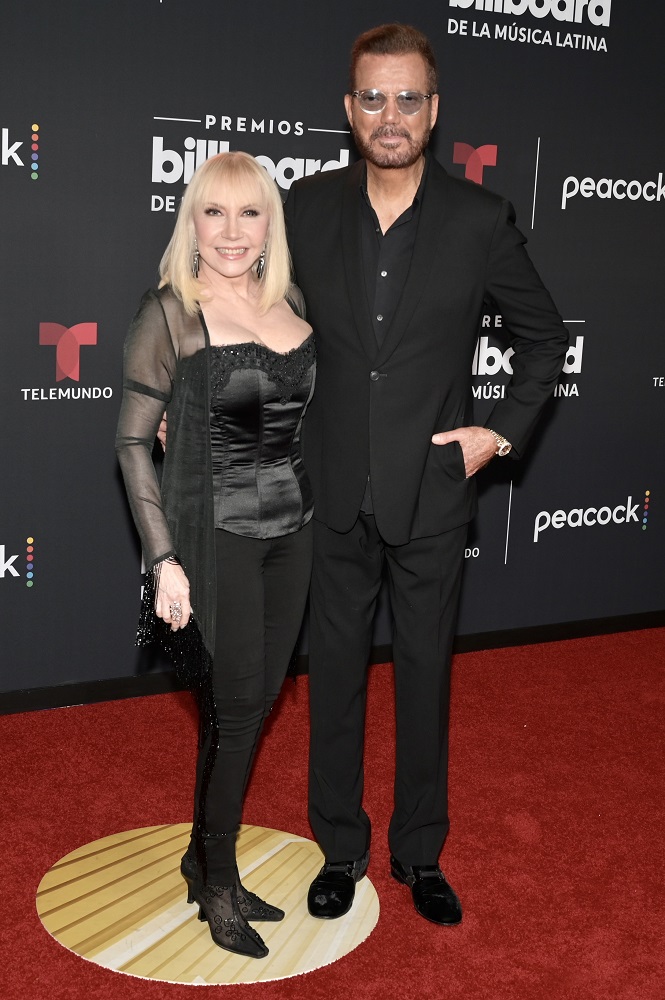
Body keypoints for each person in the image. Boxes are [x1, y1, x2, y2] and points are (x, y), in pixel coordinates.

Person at [284, 23, 569, 926]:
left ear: (434, 110)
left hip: (434, 495)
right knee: (332, 679)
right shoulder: (304, 209)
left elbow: (544, 340)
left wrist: (497, 436)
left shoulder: (478, 219)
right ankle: (338, 848)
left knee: (423, 679)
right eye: (374, 97)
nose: (391, 115)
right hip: (329, 489)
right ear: (348, 109)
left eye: (409, 98)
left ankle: (418, 853)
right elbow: (243, 313)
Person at [116, 151, 315, 959]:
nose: (232, 232)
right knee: (234, 714)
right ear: (190, 222)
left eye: (250, 213)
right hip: (214, 537)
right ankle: (219, 882)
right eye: (214, 212)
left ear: (270, 224)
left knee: (255, 704)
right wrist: (163, 560)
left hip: (293, 535)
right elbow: (133, 443)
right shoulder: (171, 311)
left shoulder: (289, 299)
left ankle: (201, 855)